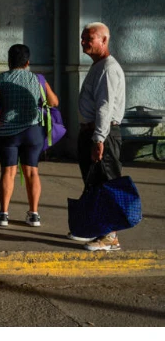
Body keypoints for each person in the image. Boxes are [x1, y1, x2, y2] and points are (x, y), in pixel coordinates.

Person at [73, 22, 127, 251]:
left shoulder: (108, 68)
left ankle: (110, 236)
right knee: (94, 183)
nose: (84, 42)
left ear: (104, 41)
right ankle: (99, 229)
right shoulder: (98, 66)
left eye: (89, 38)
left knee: (106, 184)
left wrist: (98, 139)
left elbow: (105, 107)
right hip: (94, 133)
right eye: (83, 38)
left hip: (102, 134)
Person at [0, 44, 59, 228]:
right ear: (28, 62)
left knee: (8, 172)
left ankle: (4, 214)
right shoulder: (38, 79)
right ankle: (34, 215)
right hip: (32, 132)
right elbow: (54, 102)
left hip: (7, 132)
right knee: (32, 172)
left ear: (9, 61)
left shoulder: (0, 79)